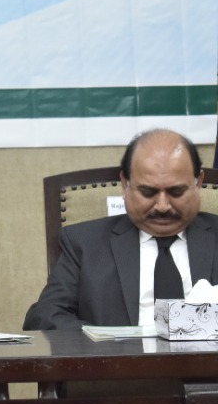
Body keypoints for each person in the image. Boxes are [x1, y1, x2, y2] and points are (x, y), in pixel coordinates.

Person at [24, 129, 218, 330]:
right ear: (125, 184)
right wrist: (108, 342)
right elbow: (45, 316)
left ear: (198, 183)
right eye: (148, 192)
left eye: (176, 191)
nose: (162, 206)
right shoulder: (83, 244)